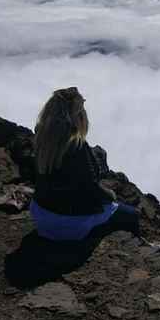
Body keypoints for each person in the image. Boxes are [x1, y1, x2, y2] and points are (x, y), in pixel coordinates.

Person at [30, 86, 139, 241]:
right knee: (131, 215)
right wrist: (110, 195)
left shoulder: (41, 135)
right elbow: (91, 187)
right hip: (69, 222)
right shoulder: (76, 145)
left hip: (41, 214)